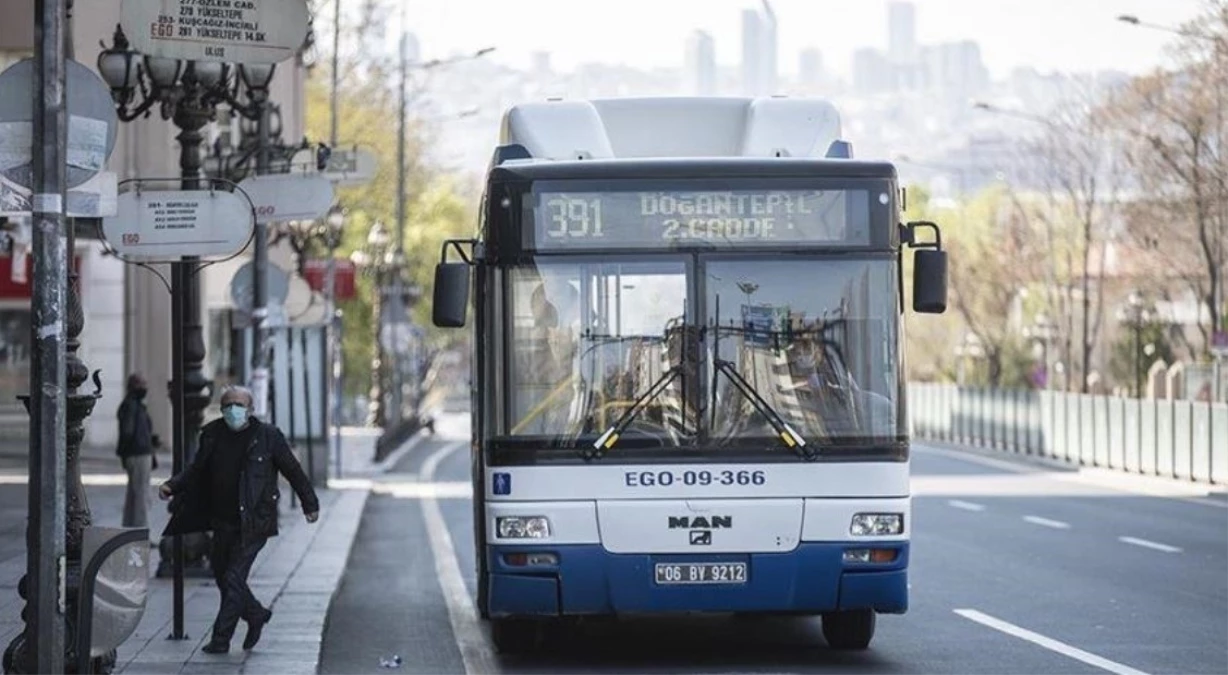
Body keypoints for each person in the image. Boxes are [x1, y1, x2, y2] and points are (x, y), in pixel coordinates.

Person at [158, 385, 319, 654]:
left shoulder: (268, 436)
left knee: (233, 576)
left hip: (255, 521)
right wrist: (173, 485)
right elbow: (197, 469)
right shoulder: (211, 434)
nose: (234, 409)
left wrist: (309, 504)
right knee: (223, 577)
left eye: (239, 404)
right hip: (222, 520)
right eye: (228, 405)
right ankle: (255, 614)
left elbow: (293, 470)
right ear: (221, 409)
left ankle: (221, 639)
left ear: (251, 409)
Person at [116, 373, 160, 529]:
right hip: (138, 454)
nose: (144, 388)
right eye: (141, 384)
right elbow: (127, 432)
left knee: (135, 493)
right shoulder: (131, 406)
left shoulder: (135, 405)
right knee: (141, 494)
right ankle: (141, 530)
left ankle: (130, 527)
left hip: (139, 452)